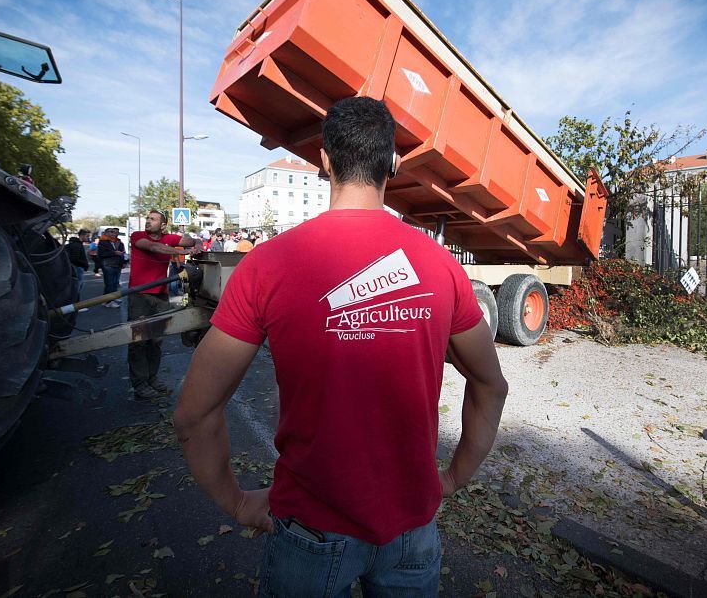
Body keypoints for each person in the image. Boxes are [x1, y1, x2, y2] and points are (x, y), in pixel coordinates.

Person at [173, 97, 508, 596]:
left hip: (309, 531)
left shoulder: (267, 265)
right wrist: (452, 478)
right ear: (391, 164)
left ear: (325, 161)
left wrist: (238, 503)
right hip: (412, 531)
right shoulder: (441, 266)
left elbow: (194, 413)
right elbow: (490, 385)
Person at [128, 209, 200, 400]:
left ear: (163, 225)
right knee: (138, 341)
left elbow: (190, 240)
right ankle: (140, 384)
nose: (148, 221)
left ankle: (152, 378)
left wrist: (197, 242)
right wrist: (183, 251)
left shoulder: (169, 237)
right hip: (140, 296)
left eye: (153, 219)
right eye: (147, 218)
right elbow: (155, 248)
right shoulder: (138, 236)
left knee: (156, 340)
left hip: (160, 295)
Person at [97, 228, 125, 307]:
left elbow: (123, 253)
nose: (113, 234)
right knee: (109, 283)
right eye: (110, 232)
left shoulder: (118, 241)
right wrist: (114, 253)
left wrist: (124, 262)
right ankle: (108, 301)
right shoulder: (103, 242)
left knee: (115, 283)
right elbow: (101, 254)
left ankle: (112, 298)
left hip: (117, 264)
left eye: (115, 232)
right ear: (105, 233)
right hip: (108, 265)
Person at [64, 230, 90, 297]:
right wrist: (84, 264)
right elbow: (74, 259)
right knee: (77, 287)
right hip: (77, 268)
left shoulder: (76, 244)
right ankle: (76, 305)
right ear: (82, 235)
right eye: (87, 236)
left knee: (77, 286)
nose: (88, 238)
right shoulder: (77, 245)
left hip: (76, 268)